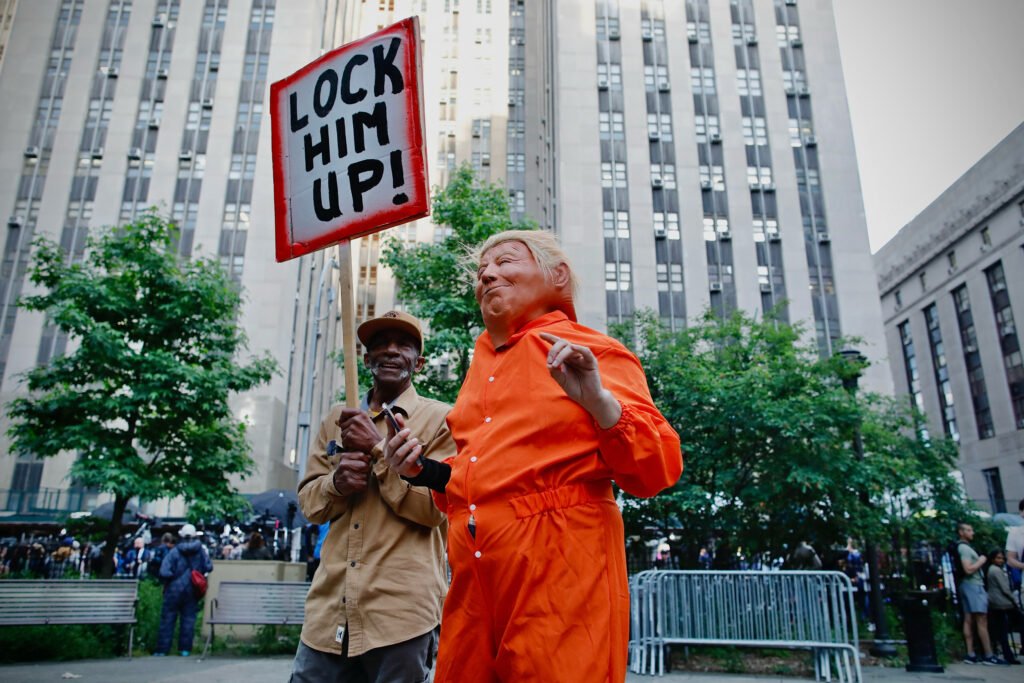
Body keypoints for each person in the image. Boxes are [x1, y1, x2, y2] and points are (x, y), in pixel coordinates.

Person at [385, 230, 682, 682]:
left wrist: (600, 402)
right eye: (481, 270)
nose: (487, 275)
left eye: (505, 261)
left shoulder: (588, 352)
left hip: (559, 565)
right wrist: (421, 471)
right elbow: (477, 476)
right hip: (473, 575)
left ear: (556, 275)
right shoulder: (481, 366)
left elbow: (657, 468)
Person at [289, 310, 456, 683]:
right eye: (380, 343)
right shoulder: (336, 419)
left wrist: (379, 451)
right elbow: (310, 506)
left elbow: (434, 510)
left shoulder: (443, 421)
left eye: (404, 344)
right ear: (366, 359)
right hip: (328, 616)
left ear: (419, 363)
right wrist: (337, 483)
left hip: (401, 619)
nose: (391, 350)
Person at [155, 524, 213, 657]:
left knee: (167, 619)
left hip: (173, 590)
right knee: (188, 619)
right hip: (192, 589)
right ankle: (185, 650)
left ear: (181, 535)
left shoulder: (174, 552)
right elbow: (209, 567)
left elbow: (164, 571)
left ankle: (162, 650)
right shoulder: (200, 551)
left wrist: (172, 579)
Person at [955, 522, 1004, 664]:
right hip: (974, 585)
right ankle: (988, 655)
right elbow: (968, 569)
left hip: (967, 585)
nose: (972, 533)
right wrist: (981, 561)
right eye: (969, 530)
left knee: (968, 618)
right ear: (961, 532)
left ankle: (971, 653)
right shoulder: (965, 549)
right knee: (981, 619)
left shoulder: (962, 548)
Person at [986, 549, 1020, 664]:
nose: (1000, 560)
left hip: (997, 603)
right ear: (993, 559)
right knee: (1005, 629)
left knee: (1002, 630)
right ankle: (1008, 655)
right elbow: (1005, 588)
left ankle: (1008, 654)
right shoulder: (995, 570)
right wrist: (1014, 600)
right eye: (998, 558)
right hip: (1002, 603)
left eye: (1001, 558)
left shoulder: (992, 569)